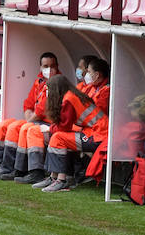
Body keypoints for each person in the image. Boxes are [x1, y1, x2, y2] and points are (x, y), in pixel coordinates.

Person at [0, 52, 60, 179]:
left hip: (48, 124)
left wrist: (29, 119)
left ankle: (15, 169)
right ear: (40, 67)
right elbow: (28, 104)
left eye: (52, 66)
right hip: (36, 120)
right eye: (46, 66)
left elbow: (42, 108)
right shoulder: (39, 81)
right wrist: (29, 117)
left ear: (57, 66)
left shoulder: (58, 83)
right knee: (5, 125)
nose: (49, 69)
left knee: (22, 128)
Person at [39, 57, 111, 192]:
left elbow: (64, 126)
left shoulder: (68, 99)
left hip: (99, 136)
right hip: (96, 133)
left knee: (58, 137)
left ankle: (61, 180)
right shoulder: (72, 95)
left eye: (49, 90)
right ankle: (54, 177)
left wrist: (49, 128)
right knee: (57, 136)